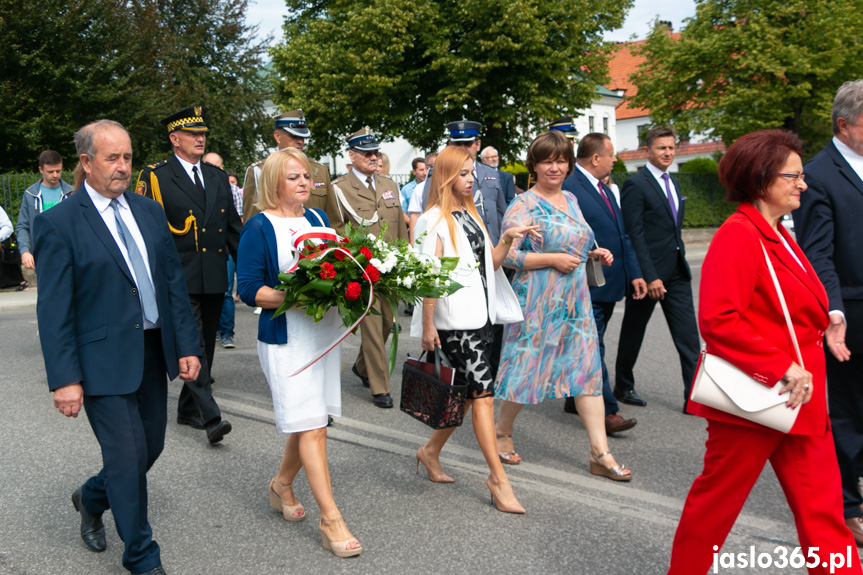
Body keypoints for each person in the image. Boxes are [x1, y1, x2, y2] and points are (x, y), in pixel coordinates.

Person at [667, 129, 863, 575]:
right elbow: (718, 320)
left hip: (799, 400)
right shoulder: (739, 234)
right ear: (760, 178)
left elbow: (786, 309)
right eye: (793, 176)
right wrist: (781, 365)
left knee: (824, 513)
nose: (803, 183)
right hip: (756, 400)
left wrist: (825, 321)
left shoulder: (776, 233)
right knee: (714, 509)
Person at [33, 120, 202, 575]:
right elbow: (53, 311)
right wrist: (65, 378)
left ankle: (90, 497)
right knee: (127, 460)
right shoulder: (58, 224)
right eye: (112, 158)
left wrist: (187, 343)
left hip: (151, 352)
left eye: (127, 157)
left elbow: (172, 285)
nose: (123, 167)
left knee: (149, 450)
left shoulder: (148, 212)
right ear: (86, 163)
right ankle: (142, 557)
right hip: (101, 360)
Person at [236, 146, 361, 558]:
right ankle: (331, 519)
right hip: (286, 339)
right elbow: (249, 289)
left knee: (310, 418)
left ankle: (281, 484)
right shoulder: (258, 227)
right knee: (313, 426)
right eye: (294, 177)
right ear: (274, 182)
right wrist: (298, 294)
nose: (305, 182)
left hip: (322, 335)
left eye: (306, 176)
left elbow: (338, 266)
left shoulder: (319, 219)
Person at [493, 131, 629, 481]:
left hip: (575, 300)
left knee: (587, 373)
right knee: (527, 372)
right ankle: (501, 431)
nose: (555, 167)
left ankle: (600, 453)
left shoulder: (571, 198)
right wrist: (551, 258)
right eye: (547, 161)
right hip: (537, 301)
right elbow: (507, 256)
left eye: (561, 160)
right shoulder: (522, 205)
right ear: (534, 166)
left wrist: (594, 253)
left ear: (569, 164)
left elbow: (578, 241)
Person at [412, 145, 535, 514]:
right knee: (483, 394)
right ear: (447, 176)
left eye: (472, 174)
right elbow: (428, 277)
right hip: (455, 324)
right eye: (464, 174)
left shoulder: (471, 214)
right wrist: (428, 324)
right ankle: (498, 479)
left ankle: (429, 451)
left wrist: (508, 239)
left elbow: (490, 266)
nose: (471, 180)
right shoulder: (431, 220)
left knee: (467, 395)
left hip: (482, 317)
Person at [135, 106, 239, 445]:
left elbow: (232, 229)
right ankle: (211, 417)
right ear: (174, 139)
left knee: (205, 345)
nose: (200, 138)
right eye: (193, 133)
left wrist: (254, 270)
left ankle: (186, 408)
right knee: (193, 344)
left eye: (203, 133)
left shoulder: (217, 175)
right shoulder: (156, 176)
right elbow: (147, 231)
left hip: (213, 276)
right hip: (178, 277)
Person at [794, 79, 863, 546]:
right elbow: (818, 253)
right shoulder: (819, 173)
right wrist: (834, 309)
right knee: (846, 410)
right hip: (852, 309)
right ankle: (848, 504)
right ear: (845, 125)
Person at [562, 133, 647, 434]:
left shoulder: (607, 190)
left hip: (610, 283)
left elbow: (623, 235)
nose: (615, 159)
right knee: (593, 346)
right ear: (595, 158)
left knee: (593, 343)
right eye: (611, 154)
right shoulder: (570, 188)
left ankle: (574, 397)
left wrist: (634, 273)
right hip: (586, 284)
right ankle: (608, 410)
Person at [615, 126, 700, 411]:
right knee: (634, 331)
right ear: (647, 151)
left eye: (672, 147)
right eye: (662, 148)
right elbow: (634, 234)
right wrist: (649, 276)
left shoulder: (672, 183)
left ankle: (693, 397)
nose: (668, 152)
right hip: (648, 276)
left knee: (688, 337)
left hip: (677, 272)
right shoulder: (635, 185)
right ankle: (623, 384)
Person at [328, 127, 408, 408]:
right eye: (367, 153)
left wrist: (404, 258)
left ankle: (362, 367)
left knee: (388, 322)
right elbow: (337, 231)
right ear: (352, 155)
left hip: (390, 267)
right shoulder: (338, 189)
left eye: (376, 152)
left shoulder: (389, 185)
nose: (374, 157)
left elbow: (398, 224)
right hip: (362, 270)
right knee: (373, 325)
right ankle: (380, 387)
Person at [242, 109, 333, 220]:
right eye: (294, 136)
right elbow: (252, 221)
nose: (300, 141)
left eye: (302, 136)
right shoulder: (259, 171)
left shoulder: (320, 170)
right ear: (278, 136)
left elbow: (334, 221)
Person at [203, 153, 243, 349]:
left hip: (225, 249)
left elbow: (237, 222)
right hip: (203, 251)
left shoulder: (232, 190)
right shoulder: (196, 188)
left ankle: (227, 333)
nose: (213, 170)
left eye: (217, 166)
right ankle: (213, 331)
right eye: (208, 165)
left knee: (226, 293)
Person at [15, 150, 74, 276]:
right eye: (50, 171)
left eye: (58, 171)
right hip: (42, 256)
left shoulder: (72, 193)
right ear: (41, 170)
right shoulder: (30, 195)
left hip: (69, 255)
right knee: (46, 295)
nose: (55, 175)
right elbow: (23, 226)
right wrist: (25, 251)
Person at [407, 151, 438, 242]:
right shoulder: (419, 189)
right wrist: (413, 242)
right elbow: (414, 216)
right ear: (427, 167)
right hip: (426, 234)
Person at [399, 157, 428, 222]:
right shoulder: (406, 189)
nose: (425, 173)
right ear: (414, 172)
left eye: (426, 169)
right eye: (421, 170)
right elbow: (403, 212)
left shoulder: (432, 186)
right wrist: (414, 226)